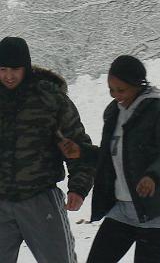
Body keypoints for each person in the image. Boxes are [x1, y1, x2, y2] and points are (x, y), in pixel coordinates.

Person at [63, 55, 160, 263]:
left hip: (155, 211)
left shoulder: (159, 112)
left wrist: (153, 177)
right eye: (111, 90)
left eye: (121, 90)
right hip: (122, 210)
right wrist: (82, 152)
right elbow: (111, 157)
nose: (116, 96)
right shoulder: (114, 113)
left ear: (138, 85)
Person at [0, 36, 95, 263]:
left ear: (27, 67)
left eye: (15, 69)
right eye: (2, 69)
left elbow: (76, 145)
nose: (8, 76)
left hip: (40, 199)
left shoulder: (50, 99)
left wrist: (78, 187)